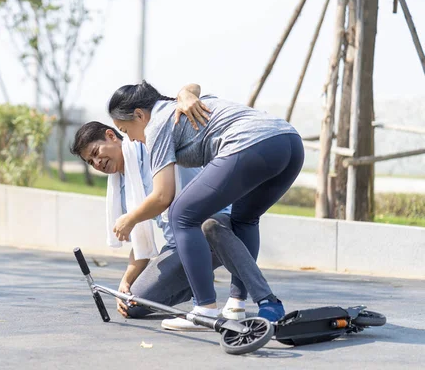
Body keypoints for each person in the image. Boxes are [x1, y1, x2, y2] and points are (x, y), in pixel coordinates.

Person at [108, 81, 304, 325]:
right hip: (290, 142)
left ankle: (205, 309)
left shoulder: (156, 125)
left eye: (126, 131)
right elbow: (194, 86)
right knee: (244, 218)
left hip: (252, 144)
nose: (133, 140)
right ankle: (236, 304)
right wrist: (186, 92)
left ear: (139, 114)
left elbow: (162, 197)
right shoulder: (180, 107)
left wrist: (130, 219)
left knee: (181, 214)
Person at [70, 119, 248, 330]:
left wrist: (132, 218)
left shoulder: (152, 149)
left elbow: (163, 197)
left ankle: (202, 298)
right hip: (177, 245)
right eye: (90, 162)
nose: (97, 163)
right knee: (132, 305)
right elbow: (141, 242)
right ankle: (195, 281)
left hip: (212, 227)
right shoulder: (124, 186)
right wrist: (125, 282)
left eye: (96, 152)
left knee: (201, 232)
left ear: (111, 136)